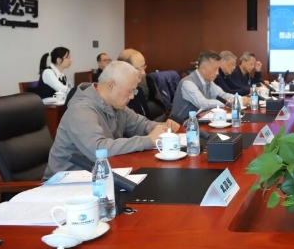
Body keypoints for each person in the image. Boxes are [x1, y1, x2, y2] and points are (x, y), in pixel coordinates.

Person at [43, 61, 180, 179]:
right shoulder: (81, 110)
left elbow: (141, 124)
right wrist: (148, 140)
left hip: (98, 175)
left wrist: (164, 128)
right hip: (65, 182)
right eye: (130, 91)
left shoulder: (117, 105)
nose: (132, 97)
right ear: (111, 86)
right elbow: (98, 150)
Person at [171, 50, 249, 123]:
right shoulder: (188, 83)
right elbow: (203, 104)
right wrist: (229, 103)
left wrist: (239, 99)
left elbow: (222, 95)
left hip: (199, 120)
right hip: (182, 126)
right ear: (203, 69)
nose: (217, 73)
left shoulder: (208, 81)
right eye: (215, 69)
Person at [117, 48, 166, 121]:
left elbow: (149, 119)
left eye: (144, 67)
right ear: (125, 69)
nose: (143, 73)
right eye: (140, 68)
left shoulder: (138, 91)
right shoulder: (116, 97)